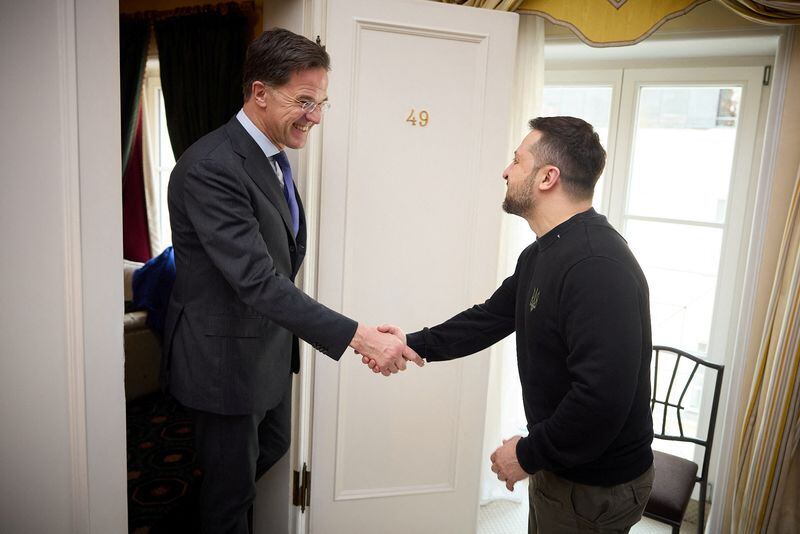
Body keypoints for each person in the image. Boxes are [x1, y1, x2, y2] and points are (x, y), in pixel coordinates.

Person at [163, 28, 422, 534]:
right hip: (222, 362)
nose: (317, 116)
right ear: (260, 93)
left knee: (271, 449)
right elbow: (258, 280)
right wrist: (361, 336)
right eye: (305, 101)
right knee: (230, 494)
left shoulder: (270, 156)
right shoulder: (212, 167)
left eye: (322, 102)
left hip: (265, 351)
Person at [366, 116, 654, 533]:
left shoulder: (596, 266)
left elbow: (600, 399)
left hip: (595, 485)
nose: (506, 170)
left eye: (517, 161)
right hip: (565, 466)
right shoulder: (542, 253)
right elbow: (489, 318)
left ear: (547, 177)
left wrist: (527, 454)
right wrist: (413, 342)